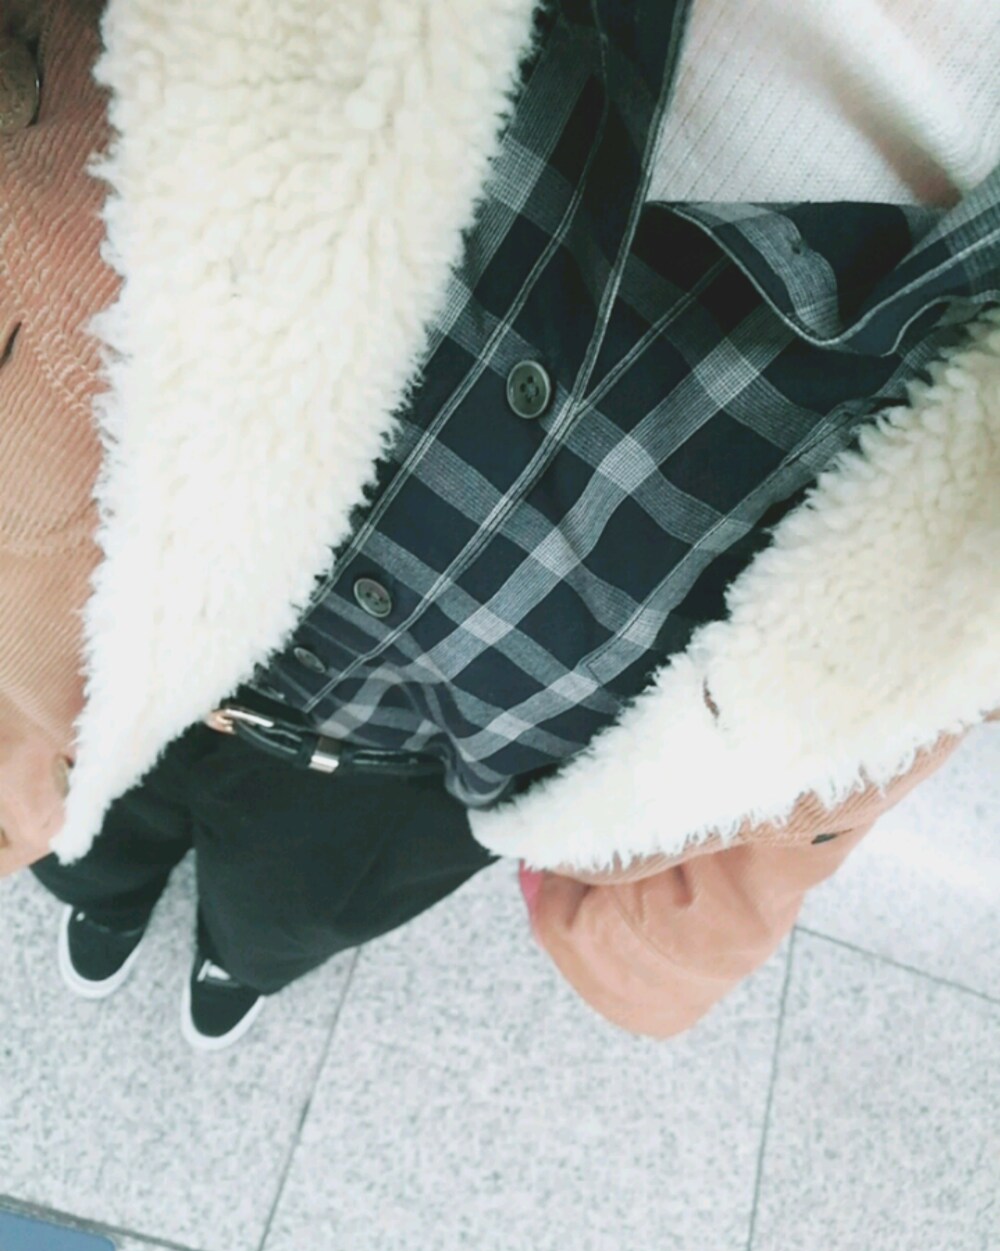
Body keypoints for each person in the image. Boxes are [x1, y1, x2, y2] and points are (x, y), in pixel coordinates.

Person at [2, 0, 997, 1047]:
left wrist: (662, 926)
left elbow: (890, 709)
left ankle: (239, 955)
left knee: (279, 919)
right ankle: (106, 894)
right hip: (93, 599)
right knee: (83, 832)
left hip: (395, 785)